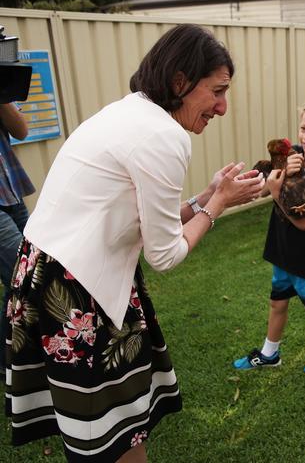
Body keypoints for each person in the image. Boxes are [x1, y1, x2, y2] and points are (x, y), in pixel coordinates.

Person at [3, 24, 265, 463]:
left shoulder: (128, 112)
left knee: (98, 427)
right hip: (76, 288)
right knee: (113, 430)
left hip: (46, 269)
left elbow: (140, 217)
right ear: (180, 81)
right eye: (217, 91)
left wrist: (203, 196)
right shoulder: (164, 135)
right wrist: (217, 205)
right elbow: (165, 254)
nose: (222, 107)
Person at [233, 98, 305, 375]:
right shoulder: (293, 154)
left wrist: (274, 191)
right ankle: (270, 353)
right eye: (303, 128)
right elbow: (266, 180)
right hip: (282, 249)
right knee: (277, 301)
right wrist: (260, 181)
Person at [0, 102, 34, 375]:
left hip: (10, 192)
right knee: (21, 274)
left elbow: (21, 130)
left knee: (32, 268)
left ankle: (7, 357)